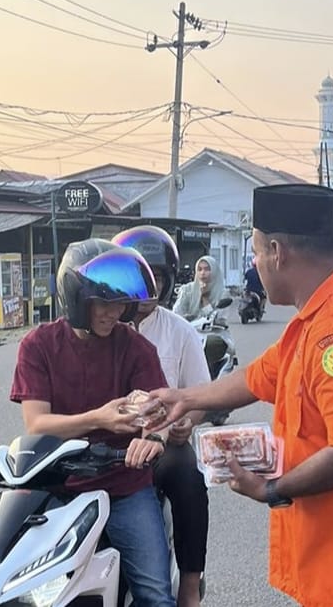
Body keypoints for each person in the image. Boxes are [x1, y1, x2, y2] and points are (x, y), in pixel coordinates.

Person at [151, 184, 333, 607]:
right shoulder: (316, 318)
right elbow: (258, 376)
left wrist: (273, 488)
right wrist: (186, 398)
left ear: (278, 252)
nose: (256, 264)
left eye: (256, 253)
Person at [9, 239, 177, 607]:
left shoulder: (135, 348)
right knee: (18, 587)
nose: (112, 312)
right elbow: (36, 424)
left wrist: (154, 438)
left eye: (119, 302)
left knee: (156, 595)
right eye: (102, 301)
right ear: (75, 299)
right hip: (57, 485)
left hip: (124, 485)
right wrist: (98, 418)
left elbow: (159, 409)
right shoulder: (37, 345)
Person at [112, 226, 211, 607]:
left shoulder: (181, 332)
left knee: (188, 476)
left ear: (168, 281)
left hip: (162, 441)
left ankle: (189, 584)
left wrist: (188, 421)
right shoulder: (101, 327)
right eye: (135, 279)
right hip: (108, 442)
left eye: (155, 279)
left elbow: (199, 393)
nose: (143, 290)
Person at [172, 255, 227, 321]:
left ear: (214, 271)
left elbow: (216, 319)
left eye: (207, 269)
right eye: (199, 269)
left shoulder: (223, 294)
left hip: (214, 330)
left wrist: (205, 298)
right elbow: (177, 312)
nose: (202, 273)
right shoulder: (187, 289)